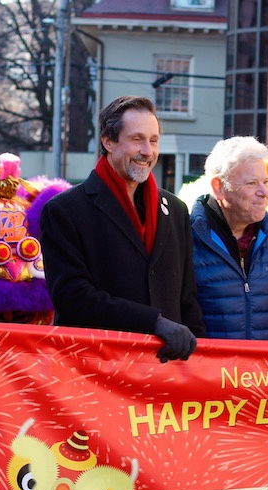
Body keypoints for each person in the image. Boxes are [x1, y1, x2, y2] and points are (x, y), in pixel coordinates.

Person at [40, 96, 205, 361]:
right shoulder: (65, 210)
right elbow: (73, 298)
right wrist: (153, 322)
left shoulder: (175, 210)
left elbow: (187, 300)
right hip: (97, 369)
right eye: (137, 139)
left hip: (166, 370)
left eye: (153, 140)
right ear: (108, 141)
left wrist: (198, 358)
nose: (148, 151)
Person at [189, 136, 268, 340]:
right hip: (207, 370)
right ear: (218, 187)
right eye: (251, 183)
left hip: (264, 370)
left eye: (266, 182)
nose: (264, 192)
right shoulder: (185, 239)